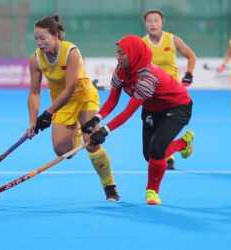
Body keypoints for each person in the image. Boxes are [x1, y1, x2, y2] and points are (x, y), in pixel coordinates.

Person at [82, 35, 194, 205]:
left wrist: (104, 131)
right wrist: (96, 118)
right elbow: (113, 100)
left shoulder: (147, 77)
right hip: (152, 108)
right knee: (149, 155)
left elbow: (128, 112)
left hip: (177, 107)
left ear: (133, 54)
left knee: (156, 149)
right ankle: (183, 144)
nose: (117, 57)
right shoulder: (120, 70)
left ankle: (152, 192)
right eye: (117, 53)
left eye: (122, 54)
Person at [26, 14, 120, 202]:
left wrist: (49, 112)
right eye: (36, 38)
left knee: (92, 142)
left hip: (84, 97)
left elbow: (70, 89)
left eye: (43, 38)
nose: (39, 42)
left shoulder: (71, 52)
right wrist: (33, 121)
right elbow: (34, 92)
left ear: (55, 36)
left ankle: (109, 186)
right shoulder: (36, 59)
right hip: (63, 104)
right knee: (62, 151)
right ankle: (77, 134)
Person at [142, 9, 196, 169]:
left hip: (173, 93)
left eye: (156, 20)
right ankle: (179, 146)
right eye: (149, 21)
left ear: (162, 23)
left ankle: (169, 156)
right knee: (150, 151)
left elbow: (191, 56)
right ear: (145, 24)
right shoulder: (142, 43)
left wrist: (189, 74)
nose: (153, 23)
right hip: (153, 94)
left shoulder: (173, 40)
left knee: (164, 127)